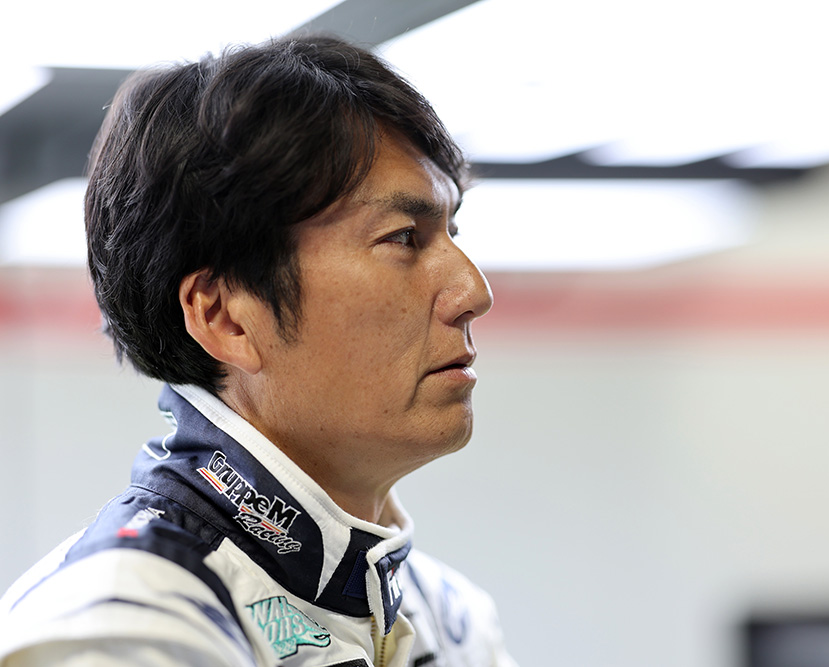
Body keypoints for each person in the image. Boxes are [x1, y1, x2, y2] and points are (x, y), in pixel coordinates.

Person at [0, 35, 516, 667]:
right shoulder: (124, 630)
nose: (474, 292)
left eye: (452, 230)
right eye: (404, 237)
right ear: (225, 317)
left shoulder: (453, 619)